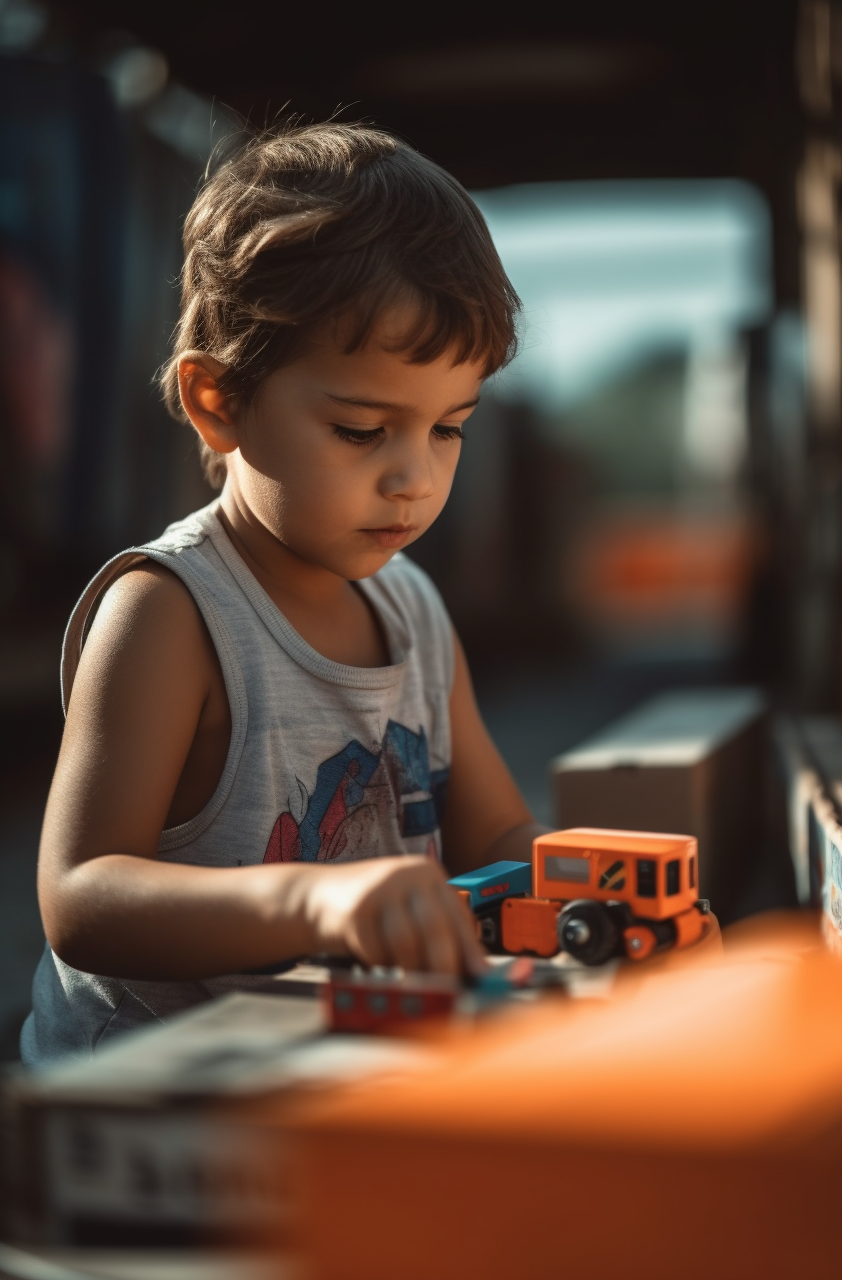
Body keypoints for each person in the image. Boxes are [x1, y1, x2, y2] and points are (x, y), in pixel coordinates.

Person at [22, 122, 546, 1065]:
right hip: (151, 1104)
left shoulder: (414, 609)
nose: (414, 480)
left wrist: (587, 891)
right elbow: (83, 899)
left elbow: (497, 829)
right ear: (218, 401)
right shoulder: (173, 612)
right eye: (361, 430)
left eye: (449, 430)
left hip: (334, 1068)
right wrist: (314, 901)